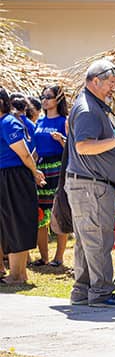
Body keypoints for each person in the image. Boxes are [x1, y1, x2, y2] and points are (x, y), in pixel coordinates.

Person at [66, 59, 115, 307]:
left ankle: (83, 291)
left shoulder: (92, 105)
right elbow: (83, 146)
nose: (113, 88)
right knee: (98, 239)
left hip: (89, 185)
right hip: (90, 186)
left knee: (88, 240)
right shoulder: (88, 109)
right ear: (96, 80)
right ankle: (102, 292)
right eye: (111, 83)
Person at [0, 87, 46, 284]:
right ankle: (14, 273)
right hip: (6, 175)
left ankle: (18, 275)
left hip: (14, 176)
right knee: (7, 224)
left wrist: (34, 172)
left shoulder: (8, 122)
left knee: (16, 222)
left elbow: (25, 154)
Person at [32, 85, 69, 266]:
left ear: (58, 99)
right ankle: (44, 257)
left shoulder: (64, 121)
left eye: (48, 96)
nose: (44, 100)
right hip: (41, 168)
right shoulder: (39, 122)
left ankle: (59, 257)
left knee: (58, 211)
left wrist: (61, 140)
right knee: (40, 214)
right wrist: (31, 168)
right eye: (42, 96)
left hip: (58, 167)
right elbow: (36, 150)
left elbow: (71, 150)